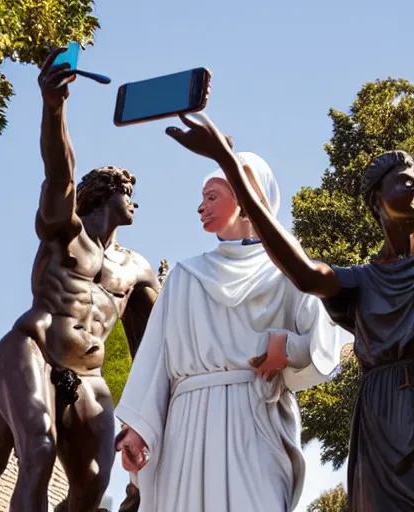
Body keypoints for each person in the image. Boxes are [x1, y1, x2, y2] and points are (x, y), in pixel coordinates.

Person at [165, 113, 414, 511]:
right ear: (378, 201)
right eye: (405, 180)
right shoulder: (361, 282)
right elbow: (303, 272)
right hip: (381, 418)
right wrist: (229, 162)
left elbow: (312, 340)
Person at [0, 48, 160, 512]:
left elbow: (154, 350)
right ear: (109, 193)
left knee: (89, 489)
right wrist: (54, 106)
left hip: (87, 377)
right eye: (131, 194)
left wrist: (151, 424)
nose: (136, 204)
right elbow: (59, 175)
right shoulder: (66, 232)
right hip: (33, 351)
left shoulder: (138, 270)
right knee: (35, 453)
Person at [114, 136, 350, 511]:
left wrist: (285, 347)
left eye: (212, 196)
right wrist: (138, 429)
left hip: (255, 422)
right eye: (202, 197)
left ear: (246, 199)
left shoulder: (288, 271)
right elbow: (155, 361)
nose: (200, 207)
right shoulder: (184, 277)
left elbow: (323, 344)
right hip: (187, 427)